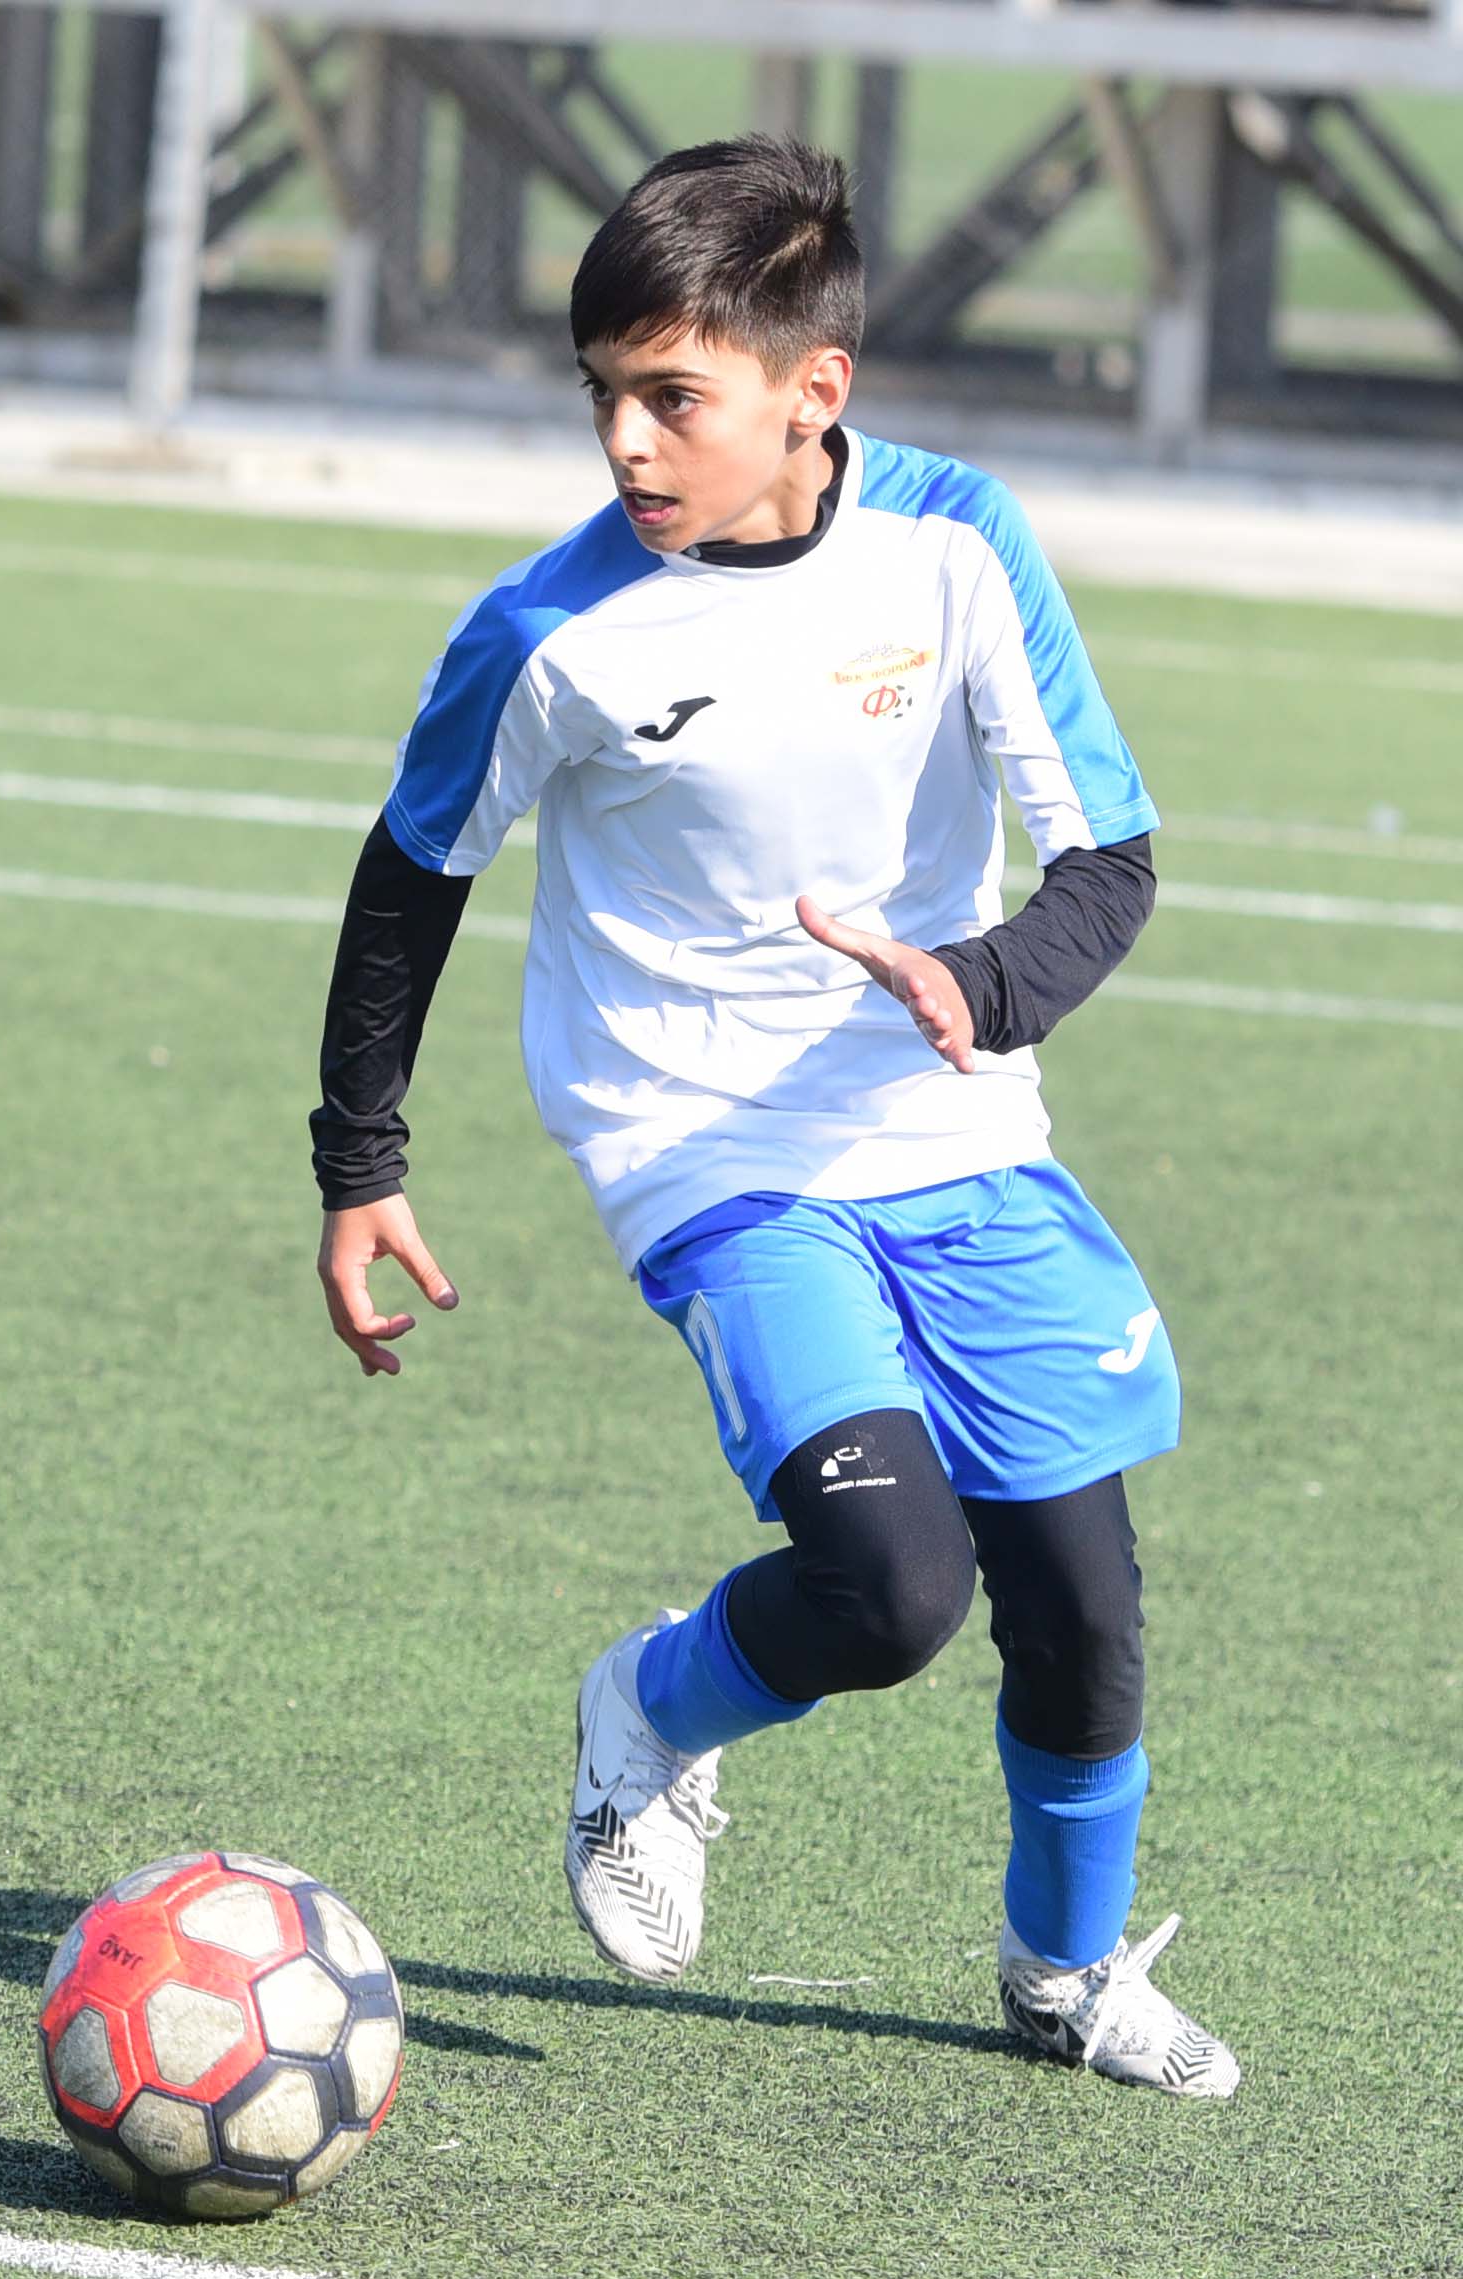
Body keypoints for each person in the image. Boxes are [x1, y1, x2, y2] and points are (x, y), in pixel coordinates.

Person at [311, 136, 1238, 2098]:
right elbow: (412, 875)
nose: (625, 444)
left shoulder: (958, 544)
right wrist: (360, 1161)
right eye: (602, 396)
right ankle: (652, 1707)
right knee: (892, 1589)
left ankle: (1063, 1975)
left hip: (951, 1123)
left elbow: (1111, 859)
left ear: (816, 389)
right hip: (700, 1143)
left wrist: (978, 986)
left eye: (673, 398)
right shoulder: (550, 631)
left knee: (1083, 1610)